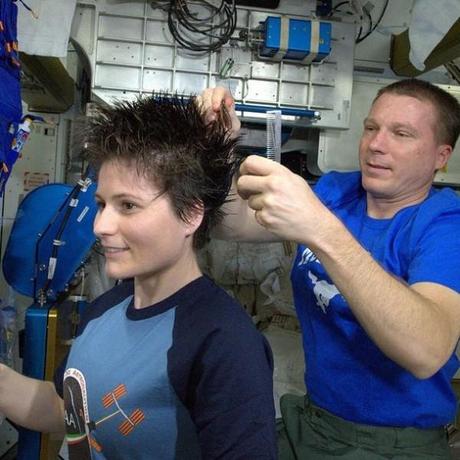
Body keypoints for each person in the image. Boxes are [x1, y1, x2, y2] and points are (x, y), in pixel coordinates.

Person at [0, 95, 277, 459]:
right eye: (101, 204)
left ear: (191, 215)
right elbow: (65, 410)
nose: (100, 226)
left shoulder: (225, 343)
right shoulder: (105, 310)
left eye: (128, 205)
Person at [200, 78, 460, 459]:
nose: (376, 144)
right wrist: (218, 147)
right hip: (313, 420)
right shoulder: (337, 192)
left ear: (441, 156)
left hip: (394, 444)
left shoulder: (444, 224)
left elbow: (426, 351)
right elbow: (228, 223)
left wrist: (322, 229)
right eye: (371, 127)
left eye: (401, 134)